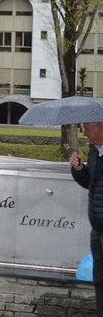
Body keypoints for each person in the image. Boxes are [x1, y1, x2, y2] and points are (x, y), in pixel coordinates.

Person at [70, 122, 103, 316]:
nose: (84, 132)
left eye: (87, 127)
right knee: (99, 279)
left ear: (100, 128)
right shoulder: (94, 153)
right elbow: (89, 183)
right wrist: (79, 169)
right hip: (97, 228)